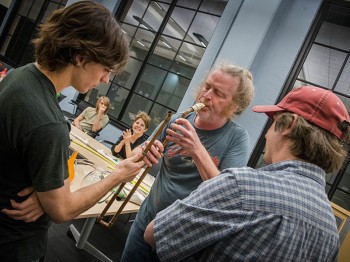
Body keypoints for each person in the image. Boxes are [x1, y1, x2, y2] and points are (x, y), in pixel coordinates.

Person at [0, 2, 162, 261]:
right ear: (80, 57)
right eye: (106, 69)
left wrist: (46, 194)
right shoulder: (49, 124)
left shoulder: (21, 76)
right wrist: (117, 177)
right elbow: (62, 211)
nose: (106, 79)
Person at [144, 86, 350, 261]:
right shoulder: (331, 234)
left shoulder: (243, 185)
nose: (268, 134)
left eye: (273, 123)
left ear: (289, 125)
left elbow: (154, 235)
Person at [121, 62, 255, 261]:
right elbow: (138, 153)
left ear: (234, 106)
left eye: (218, 93)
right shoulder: (178, 119)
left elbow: (225, 196)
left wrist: (196, 148)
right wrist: (144, 151)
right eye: (207, 86)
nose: (207, 95)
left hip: (181, 239)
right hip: (146, 220)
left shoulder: (237, 139)